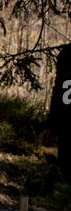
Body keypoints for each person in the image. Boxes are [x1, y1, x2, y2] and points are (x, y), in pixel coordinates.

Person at [46, 42, 71, 183]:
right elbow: (58, 89)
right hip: (66, 125)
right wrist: (51, 125)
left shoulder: (66, 53)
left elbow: (58, 89)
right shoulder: (66, 54)